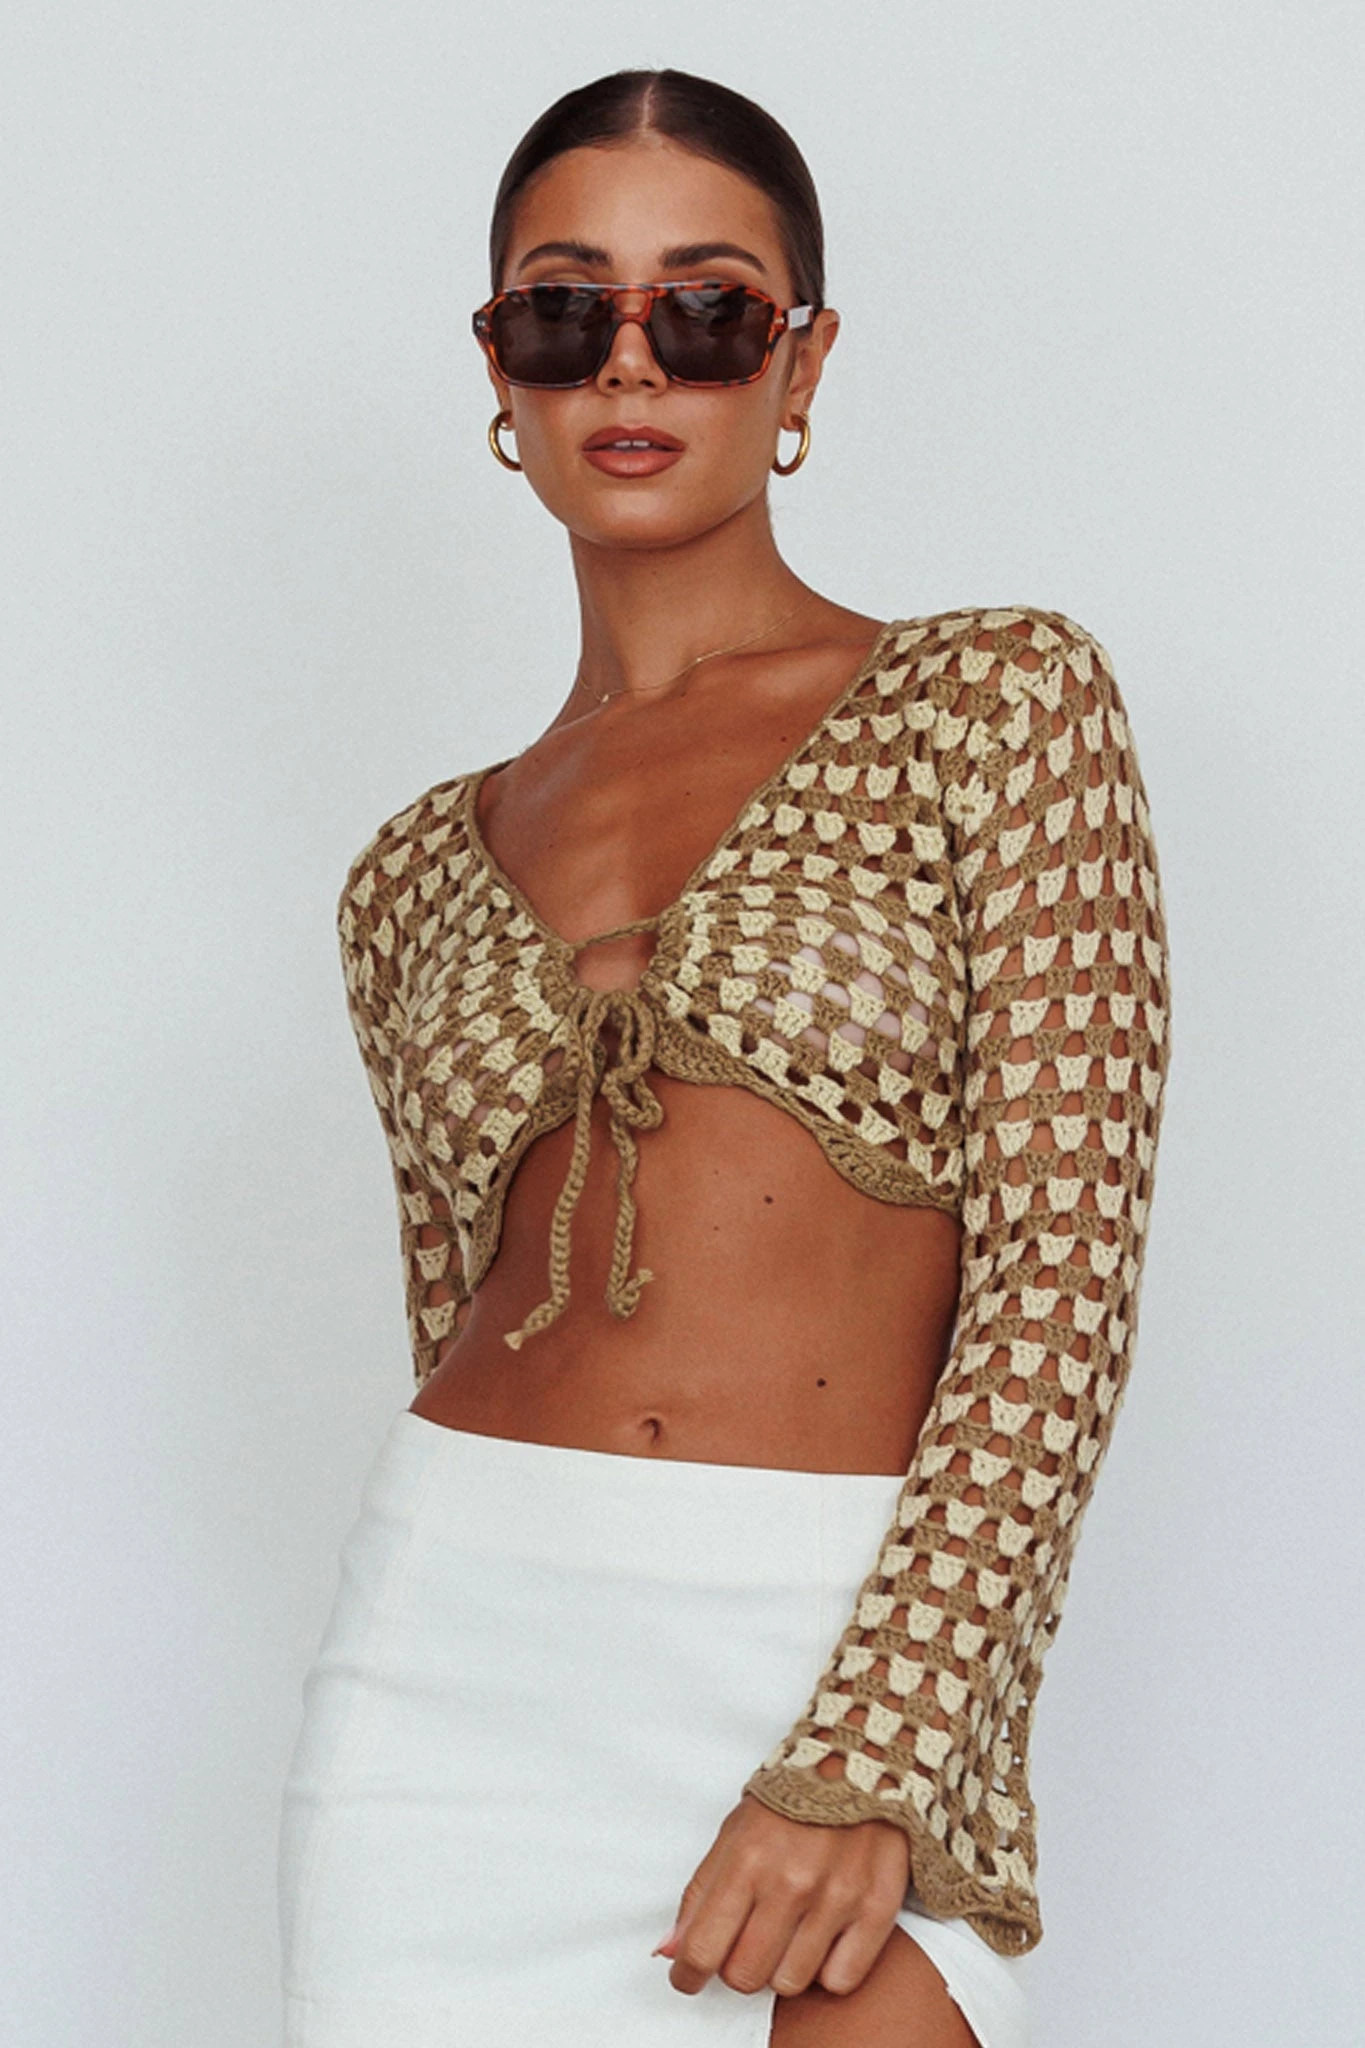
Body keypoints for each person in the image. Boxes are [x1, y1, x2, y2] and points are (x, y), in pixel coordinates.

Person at [276, 66, 1171, 2048]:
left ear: (800, 361)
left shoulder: (990, 703)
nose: (630, 360)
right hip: (448, 1689)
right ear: (498, 368)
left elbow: (1061, 1283)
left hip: (832, 1644)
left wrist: (875, 1750)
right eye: (560, 308)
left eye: (704, 310)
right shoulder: (409, 874)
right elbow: (452, 1306)